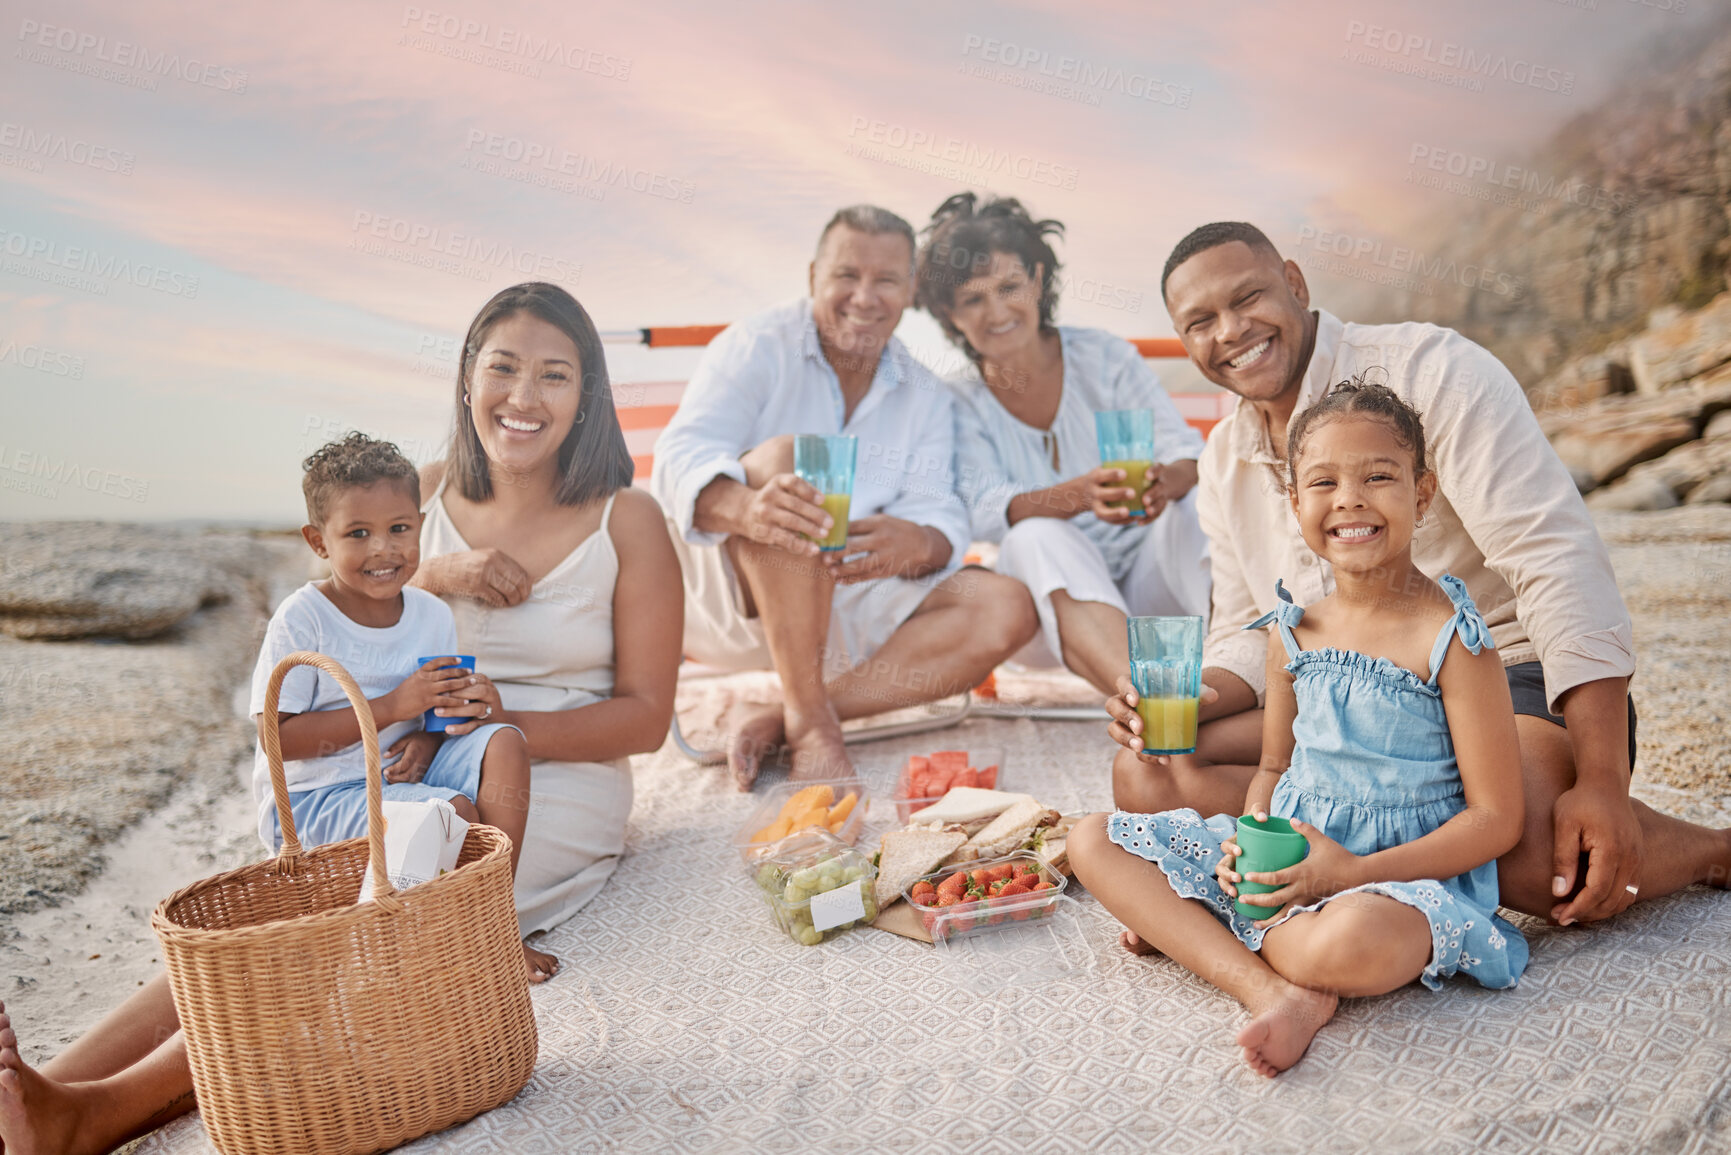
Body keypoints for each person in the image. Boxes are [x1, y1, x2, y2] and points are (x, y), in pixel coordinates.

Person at [0, 282, 682, 1153]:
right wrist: (445, 575)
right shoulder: (421, 494)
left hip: (542, 777)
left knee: (348, 922)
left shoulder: (629, 516)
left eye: (555, 375)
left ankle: (92, 1117)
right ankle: (48, 1081)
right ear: (468, 377)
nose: (524, 396)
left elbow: (646, 717)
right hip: (391, 760)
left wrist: (492, 719)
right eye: (503, 367)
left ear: (586, 397)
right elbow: (352, 591)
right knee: (277, 910)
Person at [1105, 221, 1731, 927]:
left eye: (1246, 297)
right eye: (1199, 322)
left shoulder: (1434, 370)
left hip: (1495, 676)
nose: (1229, 330)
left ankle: (1711, 848)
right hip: (1337, 704)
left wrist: (1602, 779)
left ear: (1294, 282)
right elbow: (1244, 633)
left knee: (1528, 859)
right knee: (1148, 771)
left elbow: (1554, 558)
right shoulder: (1222, 459)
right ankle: (1335, 866)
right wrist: (1184, 699)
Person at [1072, 381, 1527, 1077]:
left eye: (1378, 476)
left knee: (1346, 943)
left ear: (1422, 492)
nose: (1349, 498)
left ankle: (1221, 939)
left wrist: (1350, 872)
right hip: (1289, 860)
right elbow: (1272, 770)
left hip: (1396, 879)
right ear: (1293, 503)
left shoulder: (1452, 639)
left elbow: (1495, 818)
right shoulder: (1291, 631)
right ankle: (1272, 990)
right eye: (1322, 481)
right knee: (1091, 840)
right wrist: (1250, 840)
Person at [651, 204, 1037, 789]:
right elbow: (677, 459)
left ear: (909, 290)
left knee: (1007, 605)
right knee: (788, 461)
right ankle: (811, 728)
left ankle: (793, 714)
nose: (865, 297)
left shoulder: (925, 392)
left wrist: (921, 540)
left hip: (846, 596)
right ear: (813, 277)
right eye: (846, 276)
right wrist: (750, 509)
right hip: (729, 598)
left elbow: (941, 513)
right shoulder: (757, 344)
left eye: (885, 280)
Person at [915, 193, 1209, 694]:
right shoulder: (955, 402)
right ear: (950, 315)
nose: (997, 311)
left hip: (1148, 585)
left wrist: (1165, 482)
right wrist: (1079, 495)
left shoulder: (1106, 357)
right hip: (1045, 615)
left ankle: (1247, 667)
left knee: (1199, 503)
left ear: (1036, 278)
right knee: (1033, 536)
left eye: (1009, 286)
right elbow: (985, 512)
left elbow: (1186, 453)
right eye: (972, 299)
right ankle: (1150, 703)